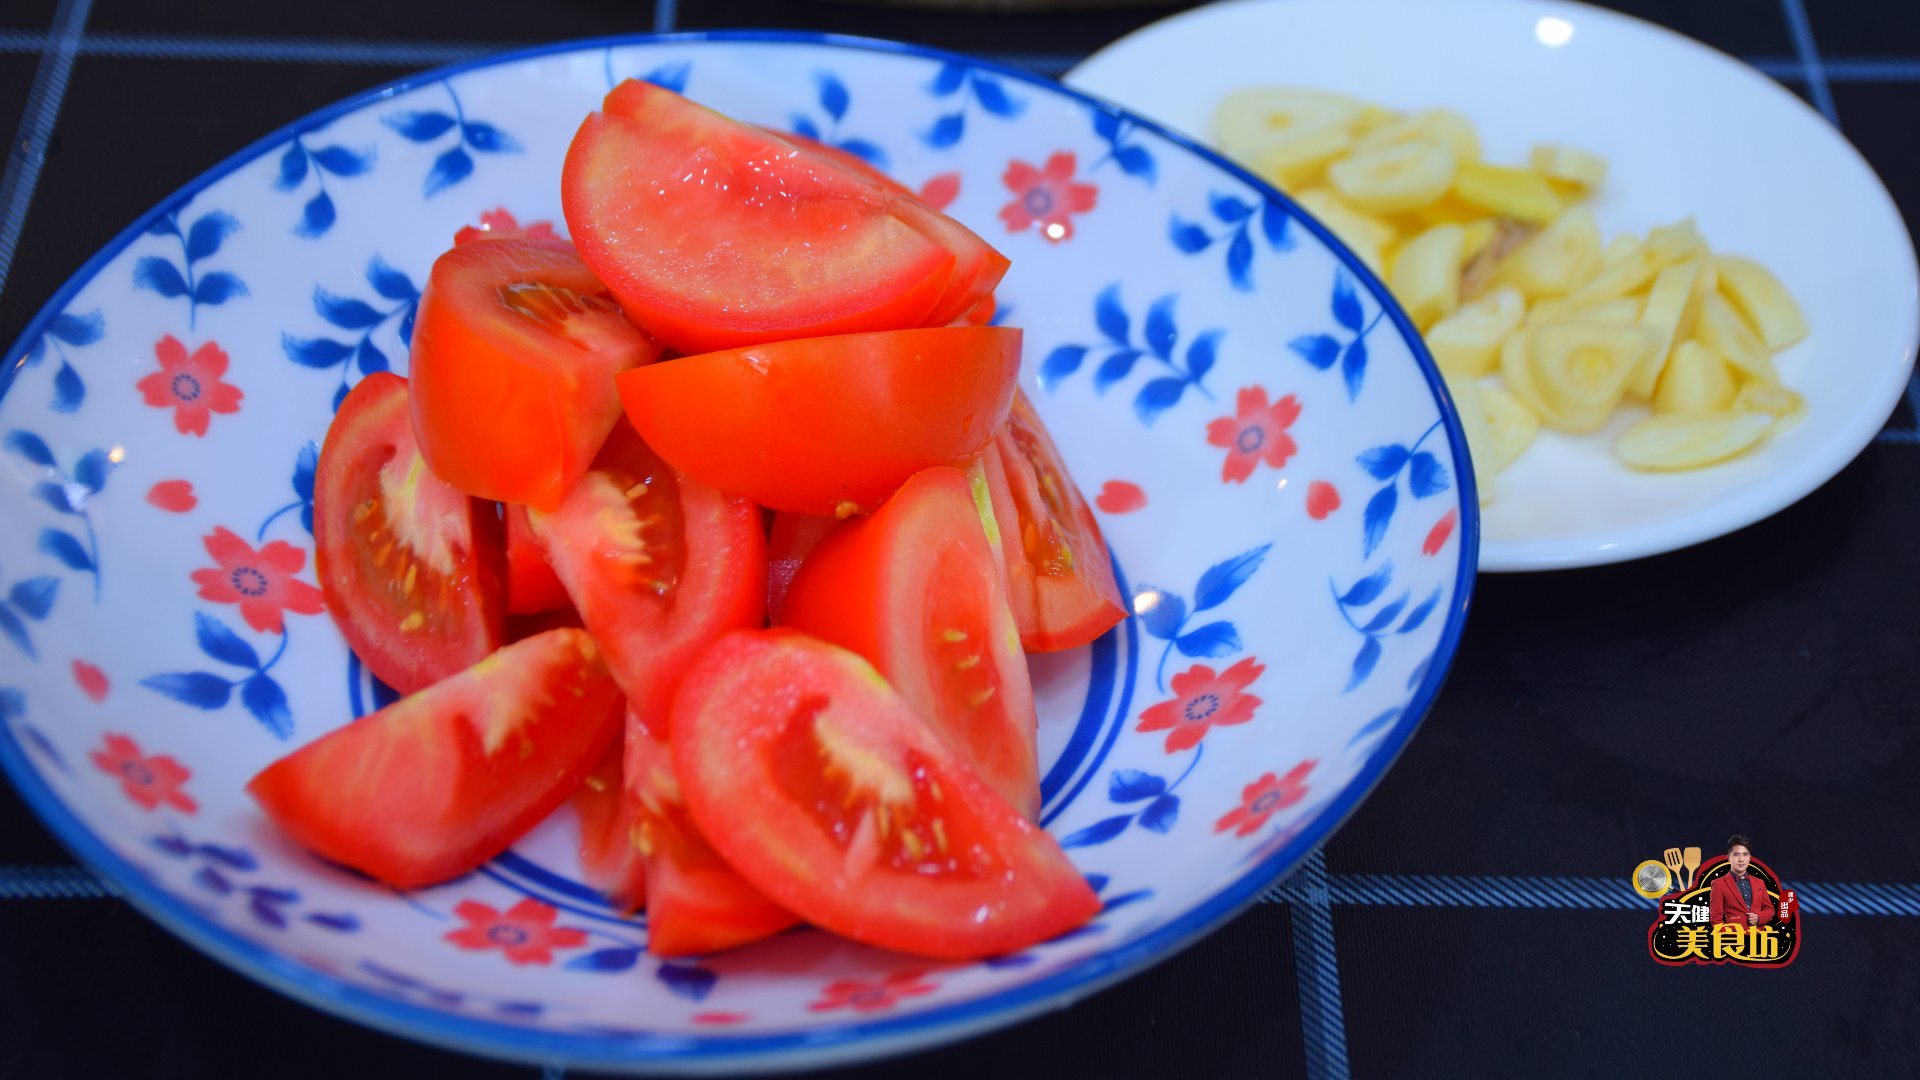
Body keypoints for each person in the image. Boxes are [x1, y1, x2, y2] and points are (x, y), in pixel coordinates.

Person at [1709, 834, 1775, 927]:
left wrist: (1759, 917)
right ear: (1728, 857)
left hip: (1758, 938)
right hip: (1734, 938)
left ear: (1749, 857)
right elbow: (1715, 918)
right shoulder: (1718, 884)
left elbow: (1769, 909)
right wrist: (1728, 938)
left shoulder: (1759, 882)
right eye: (1736, 855)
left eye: (1745, 854)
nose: (1741, 859)